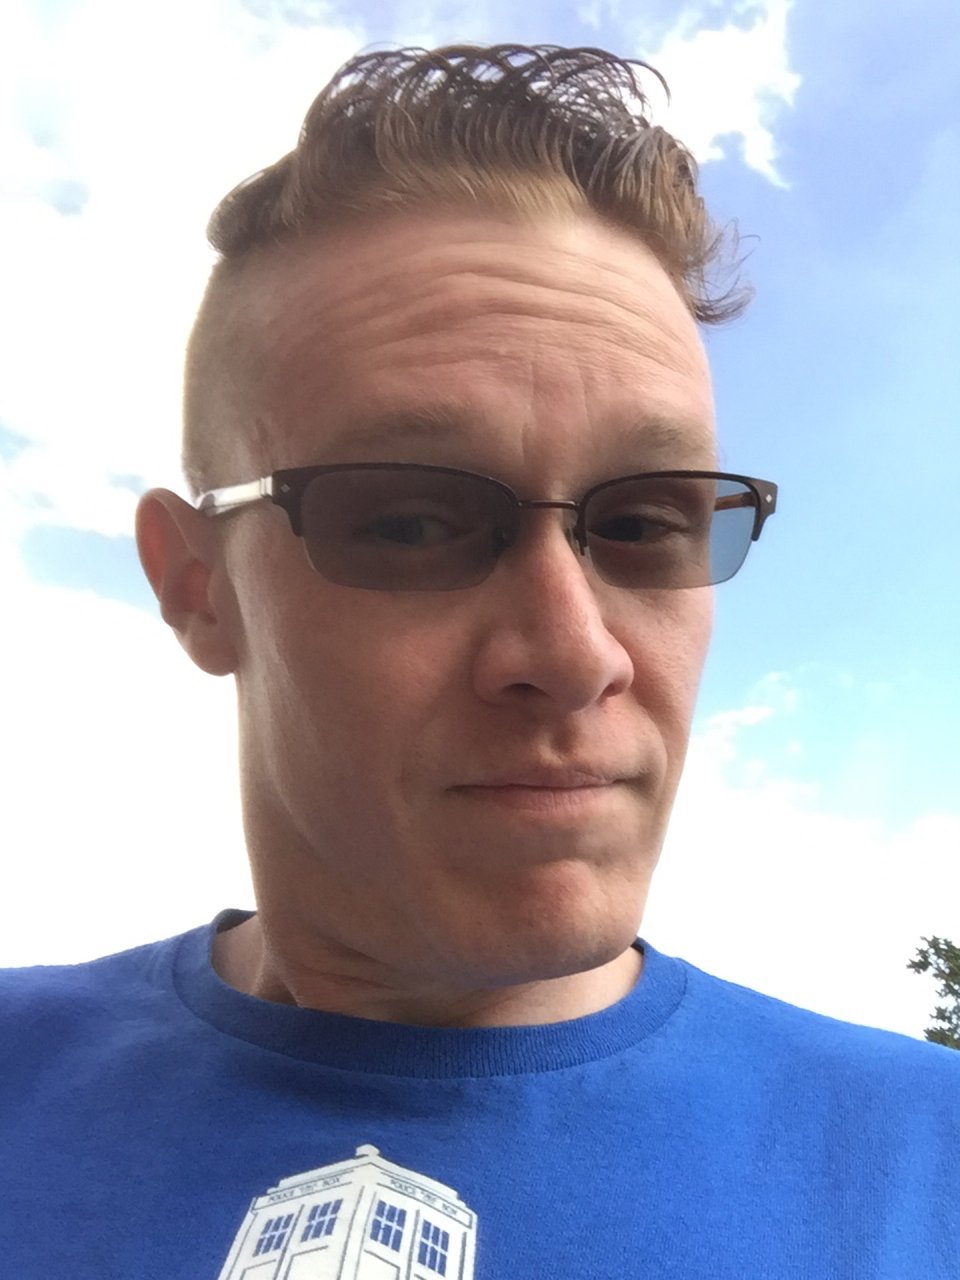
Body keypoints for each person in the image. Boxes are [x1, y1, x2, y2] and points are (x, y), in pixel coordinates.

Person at [1, 44, 956, 1280]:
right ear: (197, 586)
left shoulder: (925, 1162)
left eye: (646, 519)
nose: (573, 652)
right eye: (411, 521)